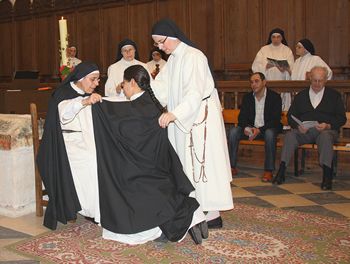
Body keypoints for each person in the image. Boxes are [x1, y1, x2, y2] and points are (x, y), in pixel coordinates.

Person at [92, 65, 207, 245]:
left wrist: (98, 106)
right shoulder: (150, 102)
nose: (123, 89)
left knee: (128, 179)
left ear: (132, 82)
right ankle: (191, 217)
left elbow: (121, 124)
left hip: (145, 166)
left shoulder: (135, 106)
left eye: (124, 84)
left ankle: (187, 217)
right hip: (158, 163)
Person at [150, 18, 234, 229]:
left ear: (173, 35)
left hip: (199, 119)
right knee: (187, 166)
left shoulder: (194, 56)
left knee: (202, 167)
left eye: (161, 42)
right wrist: (143, 83)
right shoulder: (174, 60)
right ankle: (199, 212)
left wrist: (174, 114)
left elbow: (195, 93)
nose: (160, 47)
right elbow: (160, 87)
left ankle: (212, 215)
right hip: (183, 119)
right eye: (157, 44)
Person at [37, 61, 102, 230]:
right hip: (63, 144)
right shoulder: (63, 92)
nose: (96, 84)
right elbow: (64, 113)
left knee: (105, 157)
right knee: (91, 161)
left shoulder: (88, 93)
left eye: (98, 80)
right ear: (81, 78)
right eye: (93, 79)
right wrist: (84, 102)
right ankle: (88, 209)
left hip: (84, 140)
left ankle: (96, 209)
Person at [272, 66, 346, 190]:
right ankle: (282, 170)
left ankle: (327, 175)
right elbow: (291, 116)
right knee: (290, 135)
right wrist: (298, 126)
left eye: (320, 80)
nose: (317, 84)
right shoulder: (301, 95)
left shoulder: (334, 96)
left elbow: (341, 118)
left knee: (325, 137)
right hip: (305, 131)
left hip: (326, 130)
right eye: (314, 80)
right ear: (310, 78)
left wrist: (328, 125)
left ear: (325, 80)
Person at [228, 72, 282, 182]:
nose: (254, 84)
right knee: (233, 132)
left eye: (256, 81)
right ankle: (231, 167)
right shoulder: (247, 98)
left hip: (265, 130)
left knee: (270, 134)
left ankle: (268, 170)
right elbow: (242, 118)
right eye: (251, 82)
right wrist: (247, 128)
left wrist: (259, 130)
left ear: (264, 82)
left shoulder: (274, 97)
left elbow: (275, 120)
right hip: (250, 130)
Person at [252, 28, 294, 111]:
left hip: (282, 83)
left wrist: (285, 69)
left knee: (281, 106)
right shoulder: (264, 50)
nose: (276, 39)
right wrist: (266, 66)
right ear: (270, 38)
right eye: (273, 37)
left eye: (278, 37)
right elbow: (255, 66)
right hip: (268, 82)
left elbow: (292, 67)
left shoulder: (287, 50)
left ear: (282, 38)